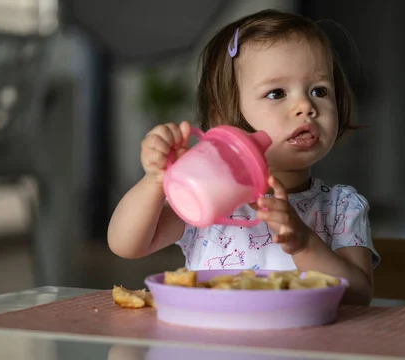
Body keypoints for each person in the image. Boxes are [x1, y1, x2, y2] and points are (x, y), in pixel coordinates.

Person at [107, 9, 380, 305]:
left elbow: (358, 297)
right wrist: (155, 180)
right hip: (210, 348)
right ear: (223, 119)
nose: (305, 105)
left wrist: (304, 244)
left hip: (303, 349)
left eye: (319, 90)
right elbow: (126, 245)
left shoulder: (340, 207)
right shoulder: (210, 198)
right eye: (277, 93)